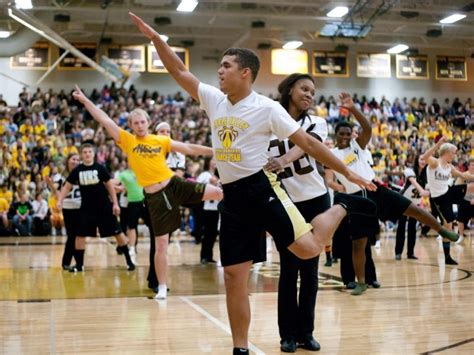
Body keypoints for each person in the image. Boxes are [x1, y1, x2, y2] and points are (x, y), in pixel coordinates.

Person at [130, 13, 377, 354]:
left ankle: (344, 205)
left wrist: (347, 174)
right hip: (232, 200)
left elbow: (309, 144)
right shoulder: (213, 99)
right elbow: (179, 71)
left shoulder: (267, 108)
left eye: (226, 65)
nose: (219, 70)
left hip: (262, 189)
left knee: (308, 250)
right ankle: (240, 347)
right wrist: (157, 38)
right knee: (234, 277)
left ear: (244, 72)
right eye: (219, 65)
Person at [71, 89, 223, 300]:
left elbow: (188, 147)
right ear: (131, 126)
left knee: (218, 193)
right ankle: (161, 287)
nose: (140, 125)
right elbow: (104, 119)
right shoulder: (128, 140)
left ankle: (248, 214)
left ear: (148, 123)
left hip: (175, 184)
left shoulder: (159, 140)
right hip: (155, 197)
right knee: (161, 245)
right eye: (136, 123)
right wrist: (85, 100)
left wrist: (215, 151)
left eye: (143, 122)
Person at [328, 112, 462, 285]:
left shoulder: (358, 146)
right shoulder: (331, 153)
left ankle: (442, 230)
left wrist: (353, 108)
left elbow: (367, 128)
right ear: (335, 134)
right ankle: (356, 281)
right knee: (357, 242)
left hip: (374, 189)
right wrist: (340, 187)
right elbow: (329, 177)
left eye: (349, 133)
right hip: (353, 197)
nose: (346, 136)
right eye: (342, 133)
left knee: (412, 211)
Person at [264, 73, 332, 352]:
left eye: (312, 92)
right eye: (304, 89)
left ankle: (307, 332)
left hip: (316, 201)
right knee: (288, 271)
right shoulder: (268, 121)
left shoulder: (319, 122)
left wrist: (281, 159)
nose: (309, 95)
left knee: (311, 272)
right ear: (289, 89)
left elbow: (305, 146)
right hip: (285, 204)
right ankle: (287, 335)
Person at [57, 143, 135, 272]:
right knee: (80, 235)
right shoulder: (78, 170)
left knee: (118, 232)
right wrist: (60, 200)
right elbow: (67, 186)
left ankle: (129, 261)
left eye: (90, 152)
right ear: (82, 154)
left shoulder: (100, 168)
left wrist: (115, 204)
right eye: (85, 152)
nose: (87, 154)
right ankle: (79, 265)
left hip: (104, 207)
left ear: (93, 154)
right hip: (86, 208)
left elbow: (110, 186)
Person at [422, 139, 474, 265]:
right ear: (447, 152)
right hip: (438, 198)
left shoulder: (449, 166)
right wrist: (438, 144)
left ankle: (448, 252)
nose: (455, 155)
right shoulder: (435, 163)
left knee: (472, 186)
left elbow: (463, 176)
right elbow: (425, 157)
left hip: (448, 193)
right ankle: (447, 256)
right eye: (453, 153)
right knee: (448, 226)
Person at [46, 153, 81, 269]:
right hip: (68, 208)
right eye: (73, 159)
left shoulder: (82, 174)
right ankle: (69, 262)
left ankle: (75, 262)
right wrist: (50, 184)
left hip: (81, 208)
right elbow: (55, 188)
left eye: (77, 159)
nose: (75, 161)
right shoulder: (61, 176)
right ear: (68, 161)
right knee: (73, 236)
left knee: (77, 235)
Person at [395, 154, 430, 260]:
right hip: (403, 202)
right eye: (421, 159)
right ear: (417, 160)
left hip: (415, 204)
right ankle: (398, 253)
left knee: (412, 228)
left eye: (425, 160)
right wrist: (422, 191)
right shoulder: (409, 170)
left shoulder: (427, 174)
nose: (423, 161)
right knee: (401, 227)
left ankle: (410, 253)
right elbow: (413, 182)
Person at [197, 157, 220, 264]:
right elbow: (197, 187)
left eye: (216, 160)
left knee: (213, 234)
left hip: (217, 208)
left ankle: (209, 256)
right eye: (213, 160)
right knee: (207, 233)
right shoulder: (204, 175)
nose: (215, 162)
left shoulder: (220, 175)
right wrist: (209, 184)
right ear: (208, 162)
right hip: (207, 208)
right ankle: (204, 256)